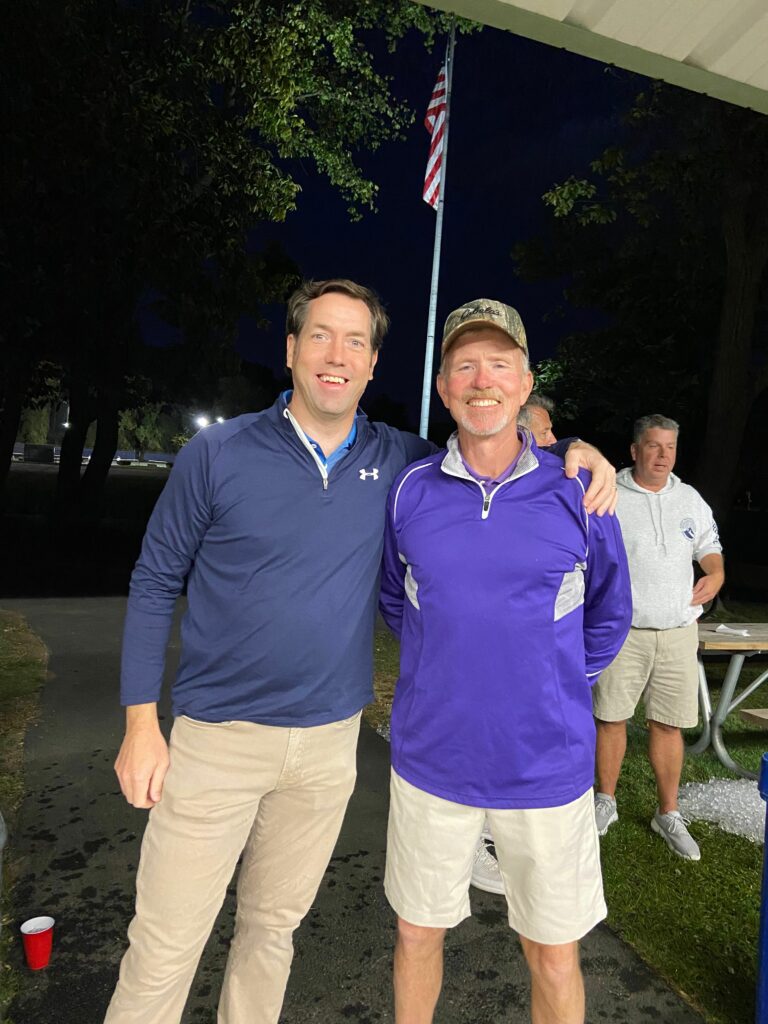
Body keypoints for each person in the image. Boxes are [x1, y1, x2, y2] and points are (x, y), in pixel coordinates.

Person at [105, 279, 618, 1024]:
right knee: (164, 944)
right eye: (320, 335)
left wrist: (575, 448)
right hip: (218, 739)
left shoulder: (397, 460)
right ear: (290, 349)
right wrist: (140, 721)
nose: (336, 357)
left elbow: (500, 450)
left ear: (375, 364)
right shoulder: (224, 453)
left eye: (355, 342)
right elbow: (154, 580)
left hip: (327, 746)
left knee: (270, 934)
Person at [379, 298, 632, 1024]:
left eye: (499, 364)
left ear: (525, 385)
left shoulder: (580, 491)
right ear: (442, 387)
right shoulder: (411, 490)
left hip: (545, 768)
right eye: (464, 365)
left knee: (553, 949)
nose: (480, 380)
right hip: (433, 760)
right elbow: (398, 603)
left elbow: (609, 613)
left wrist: (542, 687)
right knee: (416, 930)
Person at [592, 414, 724, 861]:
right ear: (635, 450)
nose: (663, 454)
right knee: (610, 717)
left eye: (670, 446)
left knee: (668, 724)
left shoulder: (690, 498)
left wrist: (717, 573)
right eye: (653, 445)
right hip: (623, 631)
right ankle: (604, 801)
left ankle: (667, 812)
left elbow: (708, 547)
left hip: (678, 630)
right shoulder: (609, 494)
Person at [471, 391, 559, 895]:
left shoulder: (567, 483)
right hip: (469, 671)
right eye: (546, 432)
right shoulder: (430, 479)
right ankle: (478, 844)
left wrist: (566, 670)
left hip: (532, 674)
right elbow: (397, 597)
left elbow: (609, 607)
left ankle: (497, 842)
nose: (554, 441)